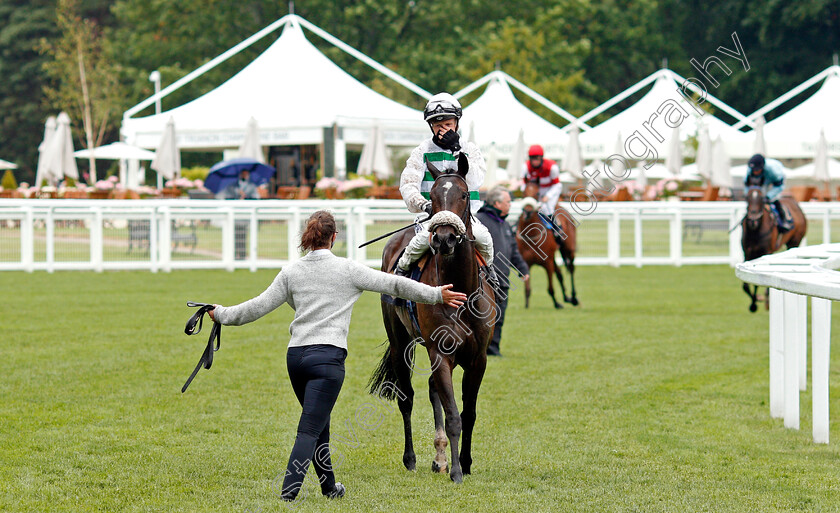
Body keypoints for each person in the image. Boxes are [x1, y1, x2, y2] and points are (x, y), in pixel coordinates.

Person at [207, 211, 467, 501]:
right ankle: (288, 494)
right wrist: (436, 295)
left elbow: (255, 308)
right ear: (334, 237)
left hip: (295, 358)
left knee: (319, 427)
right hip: (327, 360)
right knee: (309, 430)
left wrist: (220, 314)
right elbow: (395, 284)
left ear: (307, 238)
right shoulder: (348, 270)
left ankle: (330, 487)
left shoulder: (291, 272)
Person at [396, 92, 497, 284]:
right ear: (430, 126)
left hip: (466, 219)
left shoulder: (470, 149)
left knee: (484, 237)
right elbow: (408, 185)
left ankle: (489, 272)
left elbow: (476, 180)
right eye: (437, 125)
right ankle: (401, 275)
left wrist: (457, 149)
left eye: (448, 124)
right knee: (418, 243)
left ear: (457, 124)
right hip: (431, 218)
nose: (442, 129)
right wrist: (424, 205)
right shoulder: (421, 152)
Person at [476, 187, 530, 357]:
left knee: (498, 317)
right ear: (497, 203)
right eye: (508, 202)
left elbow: (513, 249)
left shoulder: (505, 224)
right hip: (483, 282)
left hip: (502, 281)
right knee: (480, 318)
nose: (510, 205)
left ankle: (493, 349)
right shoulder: (479, 222)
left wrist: (522, 269)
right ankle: (478, 350)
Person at [522, 144, 564, 244]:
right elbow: (524, 184)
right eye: (532, 158)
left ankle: (557, 229)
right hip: (536, 191)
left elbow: (557, 185)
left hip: (552, 189)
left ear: (541, 158)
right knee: (527, 207)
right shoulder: (525, 167)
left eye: (537, 158)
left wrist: (548, 196)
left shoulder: (552, 167)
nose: (535, 161)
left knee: (547, 208)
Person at [744, 154, 792, 232]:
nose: (755, 172)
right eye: (754, 170)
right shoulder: (750, 170)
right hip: (762, 183)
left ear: (762, 168)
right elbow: (747, 186)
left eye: (757, 170)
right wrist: (748, 196)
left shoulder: (774, 171)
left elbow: (779, 187)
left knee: (774, 199)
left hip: (775, 183)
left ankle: (784, 221)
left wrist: (768, 196)